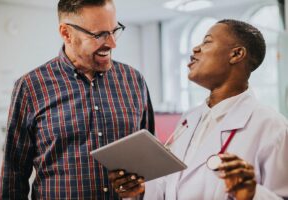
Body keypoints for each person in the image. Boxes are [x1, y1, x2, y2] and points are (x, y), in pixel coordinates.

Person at [109, 19, 288, 200]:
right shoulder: (189, 120)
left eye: (207, 42)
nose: (195, 49)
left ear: (236, 54)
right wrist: (141, 190)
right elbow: (172, 185)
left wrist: (252, 194)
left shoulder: (272, 126)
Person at [0, 0, 155, 199]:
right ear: (66, 33)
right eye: (99, 35)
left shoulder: (134, 80)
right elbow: (13, 174)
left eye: (114, 30)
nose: (112, 43)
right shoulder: (30, 86)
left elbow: (149, 159)